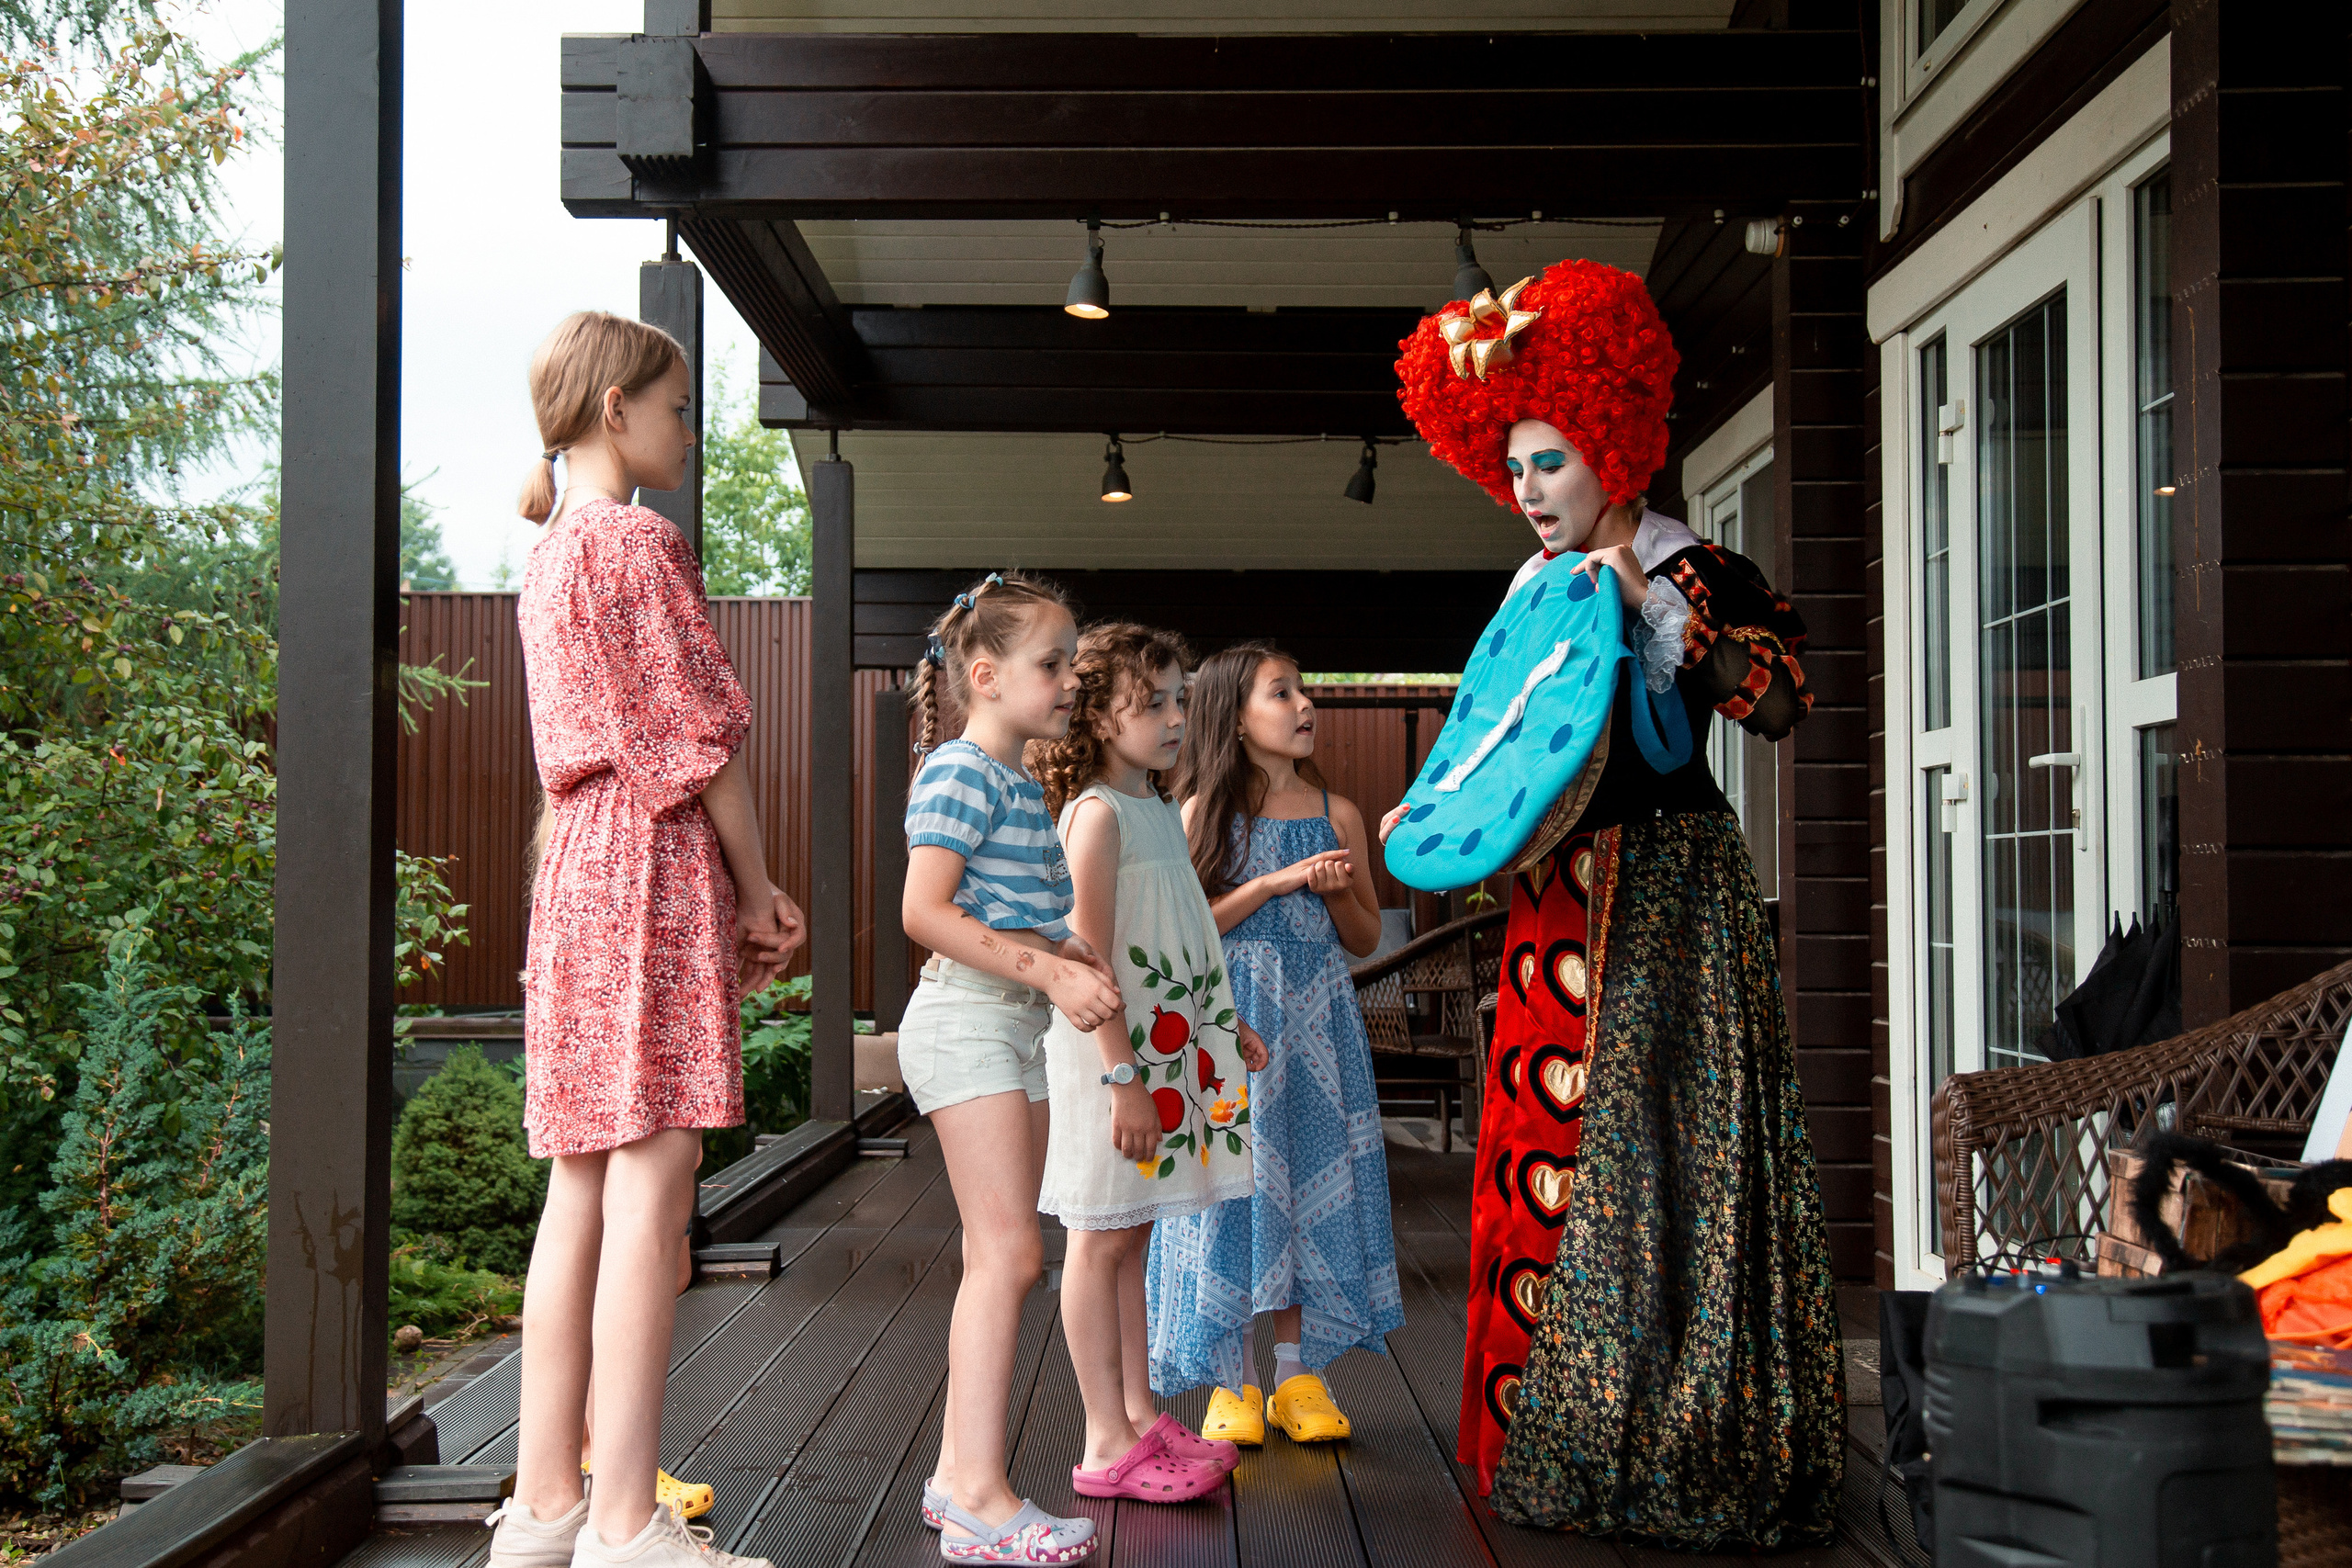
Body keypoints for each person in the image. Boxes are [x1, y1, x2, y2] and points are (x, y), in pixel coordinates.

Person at [1385, 259, 1843, 1550]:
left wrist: (1663, 610)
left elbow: (1784, 706)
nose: (1529, 490)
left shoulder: (1694, 569)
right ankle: (1560, 1429)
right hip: (1554, 904)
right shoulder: (1527, 592)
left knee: (1661, 1148)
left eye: (1553, 462)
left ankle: (1674, 1429)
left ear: (1619, 451)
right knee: (1545, 1144)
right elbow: (1497, 750)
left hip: (1668, 891)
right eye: (1515, 467)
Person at [489, 311, 804, 1568]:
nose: (690, 429)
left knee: (580, 1184)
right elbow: (702, 738)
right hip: (651, 862)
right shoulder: (637, 541)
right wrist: (760, 886)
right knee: (653, 1183)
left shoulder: (547, 553)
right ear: (615, 407)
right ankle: (624, 1517)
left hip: (571, 866)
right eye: (677, 407)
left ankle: (542, 1507)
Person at [897, 571, 1125, 1565]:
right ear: (985, 676)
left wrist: (1064, 953)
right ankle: (984, 1499)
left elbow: (1002, 905)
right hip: (966, 1023)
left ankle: (955, 1480)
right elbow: (926, 912)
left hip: (1008, 1024)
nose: (1071, 679)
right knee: (1010, 1257)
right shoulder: (959, 768)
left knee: (1003, 1254)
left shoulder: (1015, 778)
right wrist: (1047, 968)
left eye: (1072, 662)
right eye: (1052, 663)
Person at [1027, 624, 1265, 1505]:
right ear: (1097, 716)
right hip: (1112, 1065)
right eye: (1152, 703)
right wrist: (1124, 1076)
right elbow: (1087, 959)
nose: (1175, 718)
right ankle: (1101, 1440)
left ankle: (1137, 1414)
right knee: (1098, 1239)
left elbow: (1176, 932)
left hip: (1161, 1058)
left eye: (1179, 700)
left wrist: (1223, 1026)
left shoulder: (1160, 807)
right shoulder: (1094, 815)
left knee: (1132, 1235)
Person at [1148, 644, 1397, 1448]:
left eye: (1304, 689)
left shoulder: (1339, 811)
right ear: (1233, 712)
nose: (1302, 705)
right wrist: (1269, 885)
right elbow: (1180, 933)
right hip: (1230, 1027)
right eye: (1279, 692)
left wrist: (1332, 893)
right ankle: (1234, 1381)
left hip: (1318, 1028)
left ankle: (1296, 1373)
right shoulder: (1201, 814)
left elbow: (1362, 936)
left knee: (1301, 1182)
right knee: (1233, 1187)